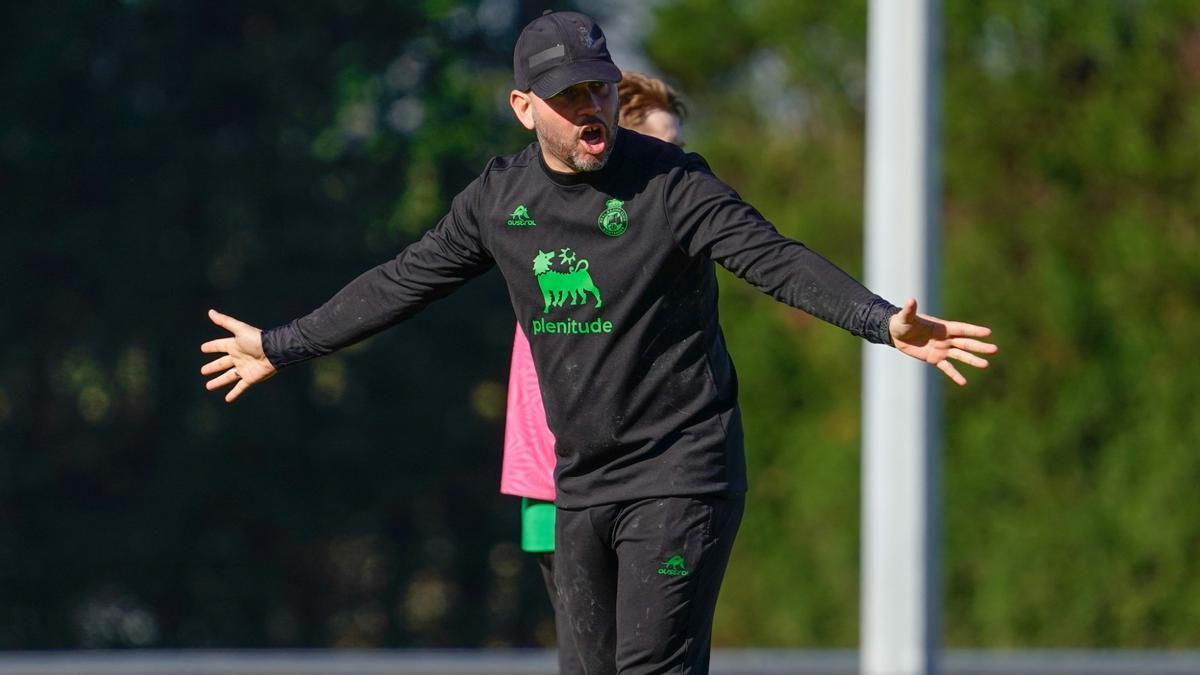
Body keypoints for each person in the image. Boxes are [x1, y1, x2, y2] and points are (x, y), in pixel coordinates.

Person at [201, 10, 996, 673]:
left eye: (601, 89)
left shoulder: (674, 184)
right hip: (580, 478)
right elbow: (401, 281)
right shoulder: (496, 200)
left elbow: (774, 258)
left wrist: (880, 320)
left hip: (683, 469)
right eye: (570, 95)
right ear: (523, 108)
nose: (592, 108)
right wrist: (283, 343)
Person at [500, 70, 688, 674]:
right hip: (559, 482)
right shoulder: (565, 235)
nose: (677, 164)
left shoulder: (665, 239)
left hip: (645, 482)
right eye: (666, 147)